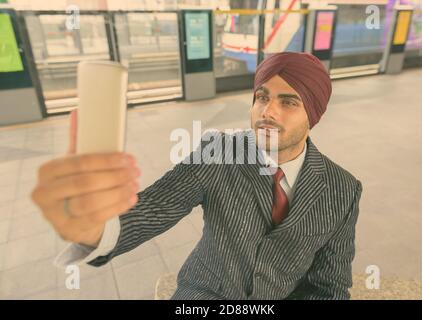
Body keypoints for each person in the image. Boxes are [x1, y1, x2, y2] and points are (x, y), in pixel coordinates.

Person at [32, 52, 363, 300]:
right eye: (261, 97)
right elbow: (153, 209)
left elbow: (329, 285)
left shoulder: (343, 189)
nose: (267, 112)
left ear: (314, 115)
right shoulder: (217, 151)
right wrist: (95, 229)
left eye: (288, 102)